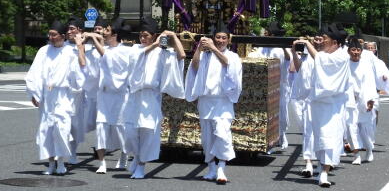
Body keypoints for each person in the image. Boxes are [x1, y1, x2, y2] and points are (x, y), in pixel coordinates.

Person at [124, 17, 186, 179]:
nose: (143, 38)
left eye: (146, 35)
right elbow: (135, 59)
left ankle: (141, 165)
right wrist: (154, 45)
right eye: (141, 35)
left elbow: (181, 56)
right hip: (134, 97)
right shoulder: (135, 49)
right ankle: (137, 156)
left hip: (151, 97)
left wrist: (173, 36)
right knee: (130, 132)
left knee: (148, 131)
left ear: (153, 35)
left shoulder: (161, 52)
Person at [25, 21, 86, 175]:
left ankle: (61, 162)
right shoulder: (43, 51)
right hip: (47, 96)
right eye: (49, 34)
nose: (50, 37)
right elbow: (35, 72)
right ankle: (51, 163)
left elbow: (78, 74)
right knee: (47, 130)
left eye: (54, 34)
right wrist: (34, 93)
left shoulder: (70, 52)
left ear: (63, 36)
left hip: (63, 95)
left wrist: (76, 88)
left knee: (61, 129)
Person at [293, 23, 350, 188]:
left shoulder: (341, 56)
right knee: (317, 138)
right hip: (317, 104)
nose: (321, 42)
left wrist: (307, 43)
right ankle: (318, 166)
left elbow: (320, 59)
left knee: (330, 138)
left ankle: (324, 173)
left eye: (324, 39)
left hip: (333, 107)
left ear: (335, 42)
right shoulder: (325, 55)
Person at [185, 26, 242, 185]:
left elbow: (228, 65)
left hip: (223, 102)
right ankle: (211, 168)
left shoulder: (233, 56)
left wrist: (213, 49)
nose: (221, 41)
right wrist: (199, 49)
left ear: (228, 40)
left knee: (223, 135)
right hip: (206, 101)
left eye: (224, 38)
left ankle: (221, 168)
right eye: (218, 37)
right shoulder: (205, 55)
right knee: (207, 138)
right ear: (214, 38)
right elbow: (194, 68)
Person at [92, 18, 132, 174]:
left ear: (115, 35)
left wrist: (94, 38)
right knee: (101, 126)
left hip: (121, 96)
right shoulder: (104, 50)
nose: (103, 32)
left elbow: (108, 57)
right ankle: (102, 162)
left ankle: (123, 156)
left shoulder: (126, 51)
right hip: (104, 95)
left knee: (121, 127)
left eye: (107, 30)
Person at [248, 21, 291, 149]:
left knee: (282, 114)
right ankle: (270, 141)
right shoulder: (263, 46)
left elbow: (288, 59)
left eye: (267, 32)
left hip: (281, 85)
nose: (265, 34)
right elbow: (256, 57)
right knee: (268, 114)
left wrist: (283, 45)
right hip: (266, 85)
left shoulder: (281, 48)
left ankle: (282, 136)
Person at [289, 33, 324, 177]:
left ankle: (319, 163)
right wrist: (294, 52)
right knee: (306, 130)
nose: (317, 41)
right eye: (315, 39)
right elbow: (295, 68)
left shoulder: (326, 55)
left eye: (320, 39)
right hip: (303, 97)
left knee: (319, 132)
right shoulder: (304, 53)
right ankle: (310, 162)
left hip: (320, 100)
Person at [345, 37, 379, 165]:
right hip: (348, 100)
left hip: (363, 99)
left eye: (358, 50)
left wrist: (371, 99)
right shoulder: (344, 64)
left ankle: (369, 149)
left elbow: (370, 83)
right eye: (353, 50)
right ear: (349, 51)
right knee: (350, 127)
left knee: (364, 128)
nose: (356, 52)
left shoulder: (365, 65)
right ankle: (356, 154)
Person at [65, 16, 87, 164]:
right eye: (68, 29)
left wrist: (80, 46)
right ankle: (61, 151)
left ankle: (72, 151)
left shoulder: (86, 46)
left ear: (80, 30)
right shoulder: (62, 45)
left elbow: (83, 64)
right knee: (62, 121)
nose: (69, 31)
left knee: (74, 123)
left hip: (77, 91)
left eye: (72, 28)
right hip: (61, 90)